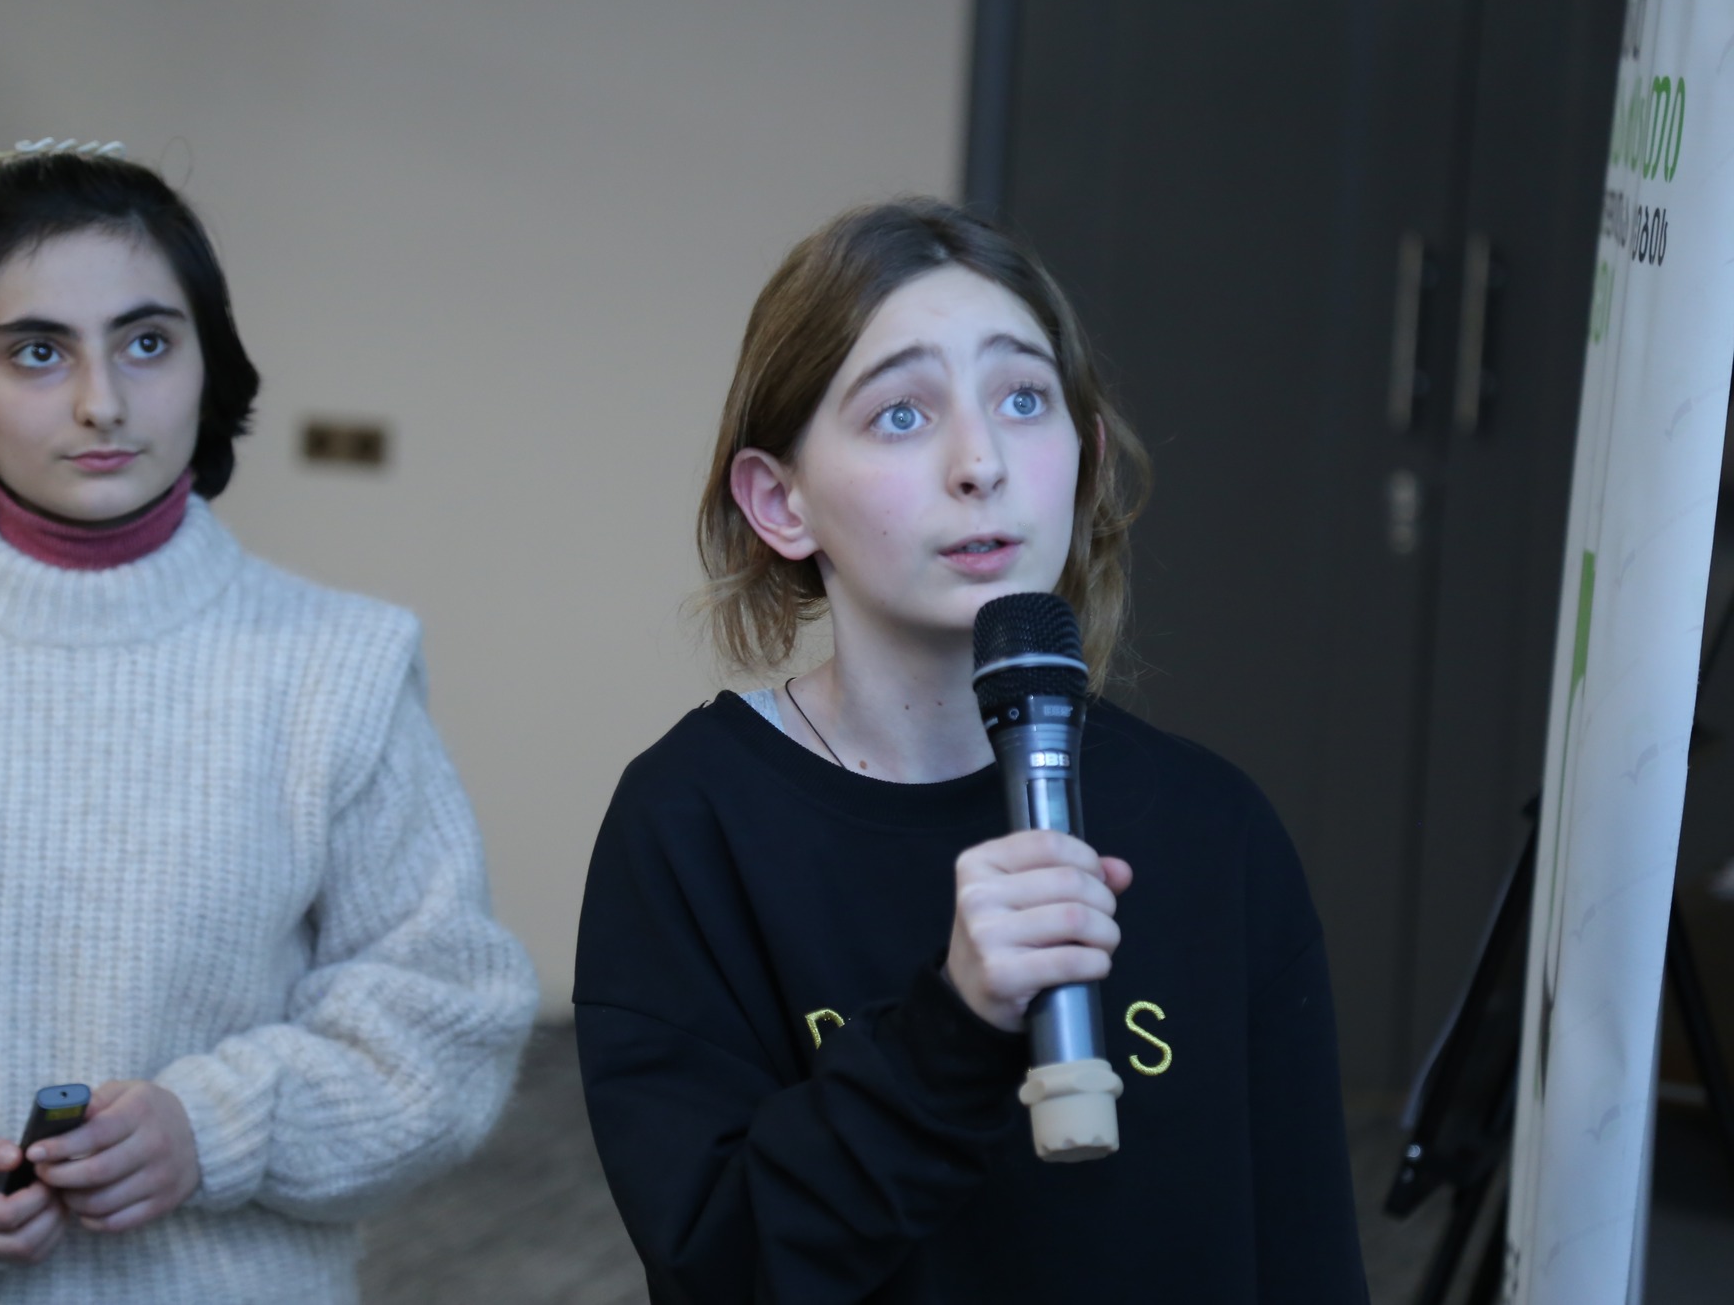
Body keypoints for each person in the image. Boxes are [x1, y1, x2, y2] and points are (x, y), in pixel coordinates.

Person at [0, 146, 537, 1302]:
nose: (102, 402)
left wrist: (214, 1128)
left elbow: (438, 1015)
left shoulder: (339, 669)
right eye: (37, 352)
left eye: (145, 342)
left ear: (206, 364)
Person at [574, 198, 1368, 1302]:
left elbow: (1304, 1257)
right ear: (779, 501)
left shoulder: (1212, 826)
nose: (980, 461)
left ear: (1084, 462)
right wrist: (953, 1024)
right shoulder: (692, 825)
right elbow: (721, 1265)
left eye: (1023, 399)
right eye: (901, 414)